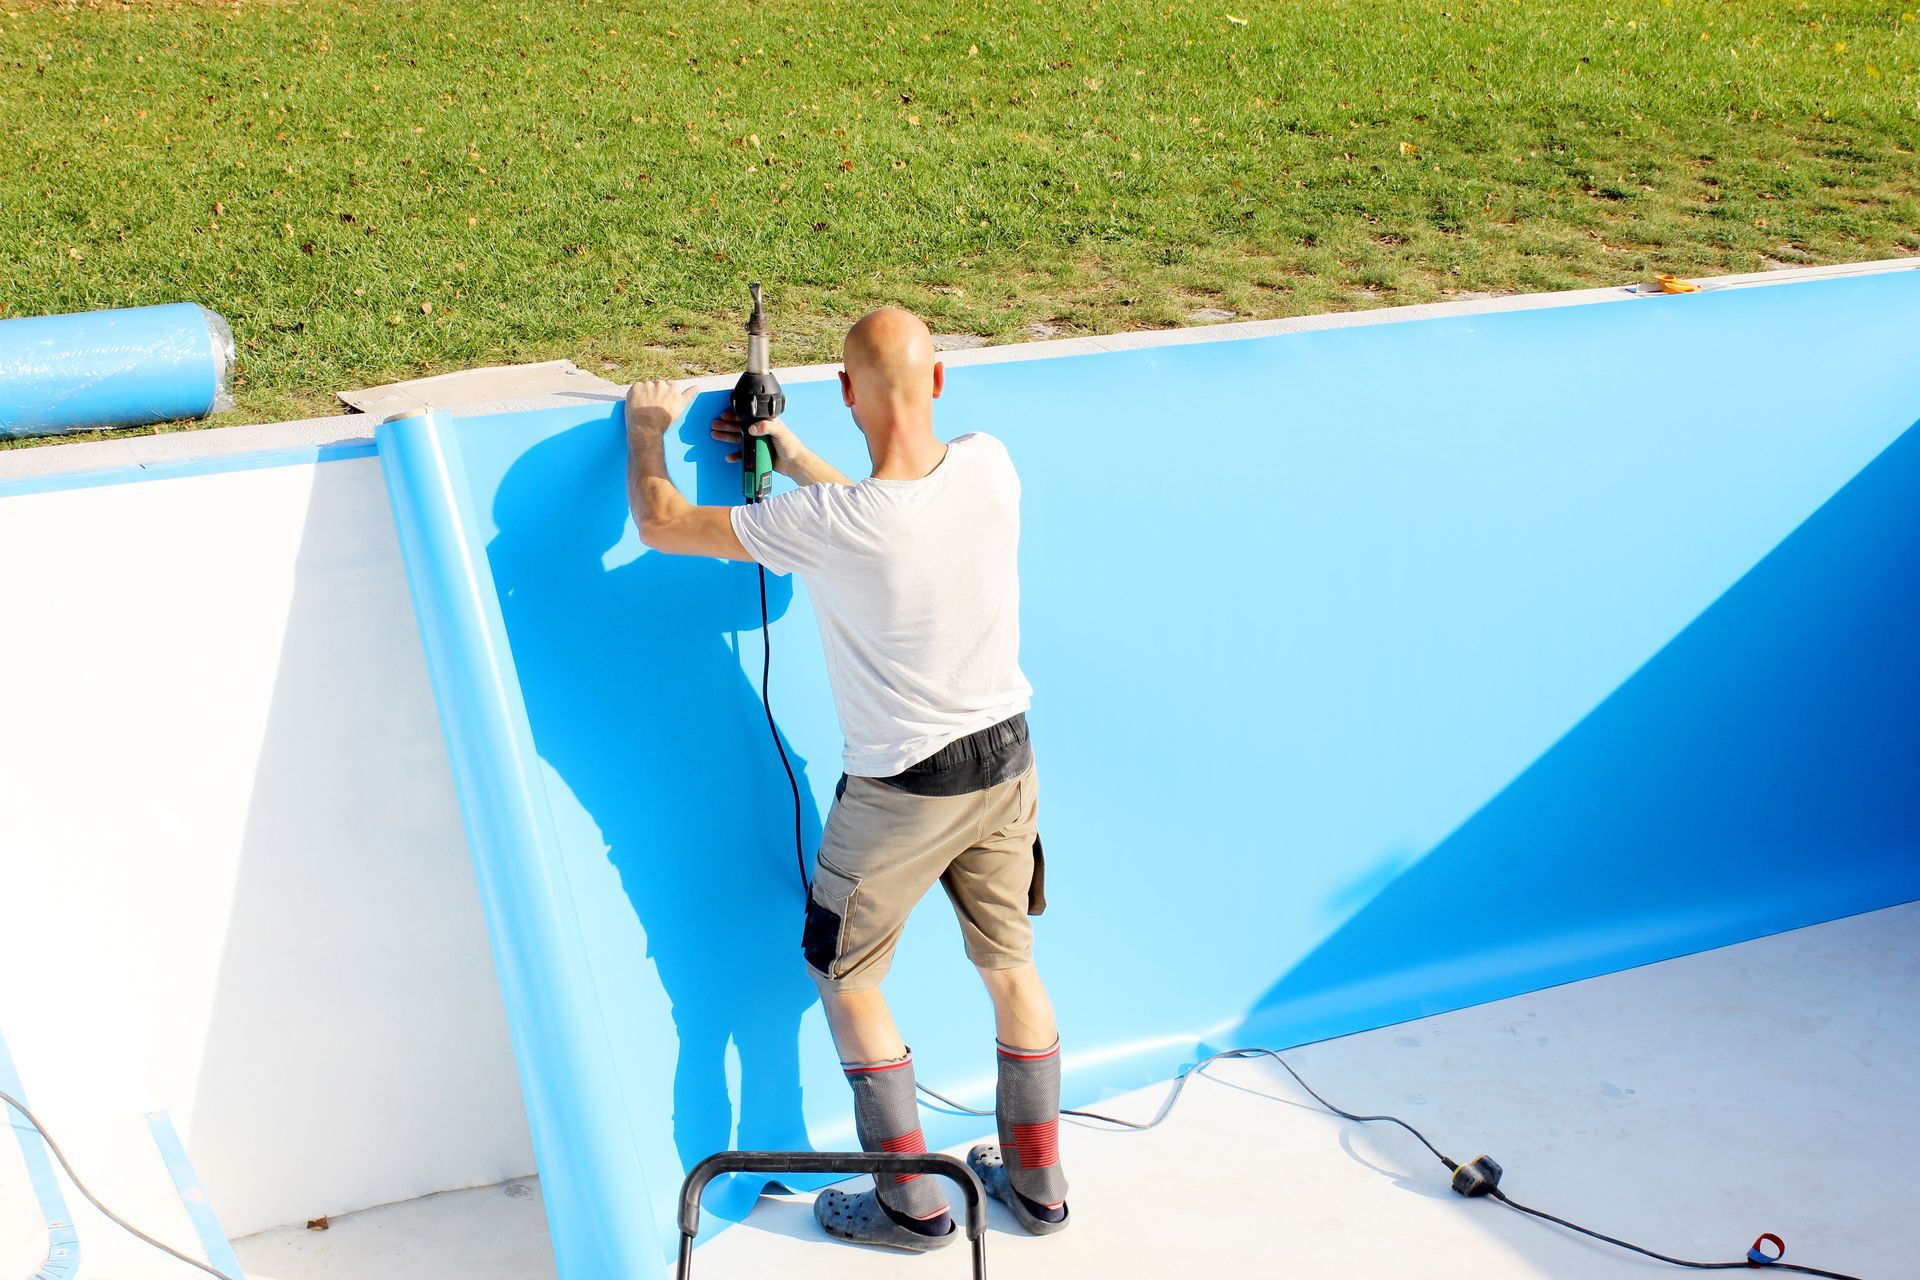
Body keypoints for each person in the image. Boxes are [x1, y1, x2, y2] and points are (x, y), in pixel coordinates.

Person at [623, 306, 1069, 1252]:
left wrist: (647, 430)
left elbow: (661, 523)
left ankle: (910, 1207)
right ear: (939, 381)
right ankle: (1038, 1187)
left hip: (902, 794)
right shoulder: (991, 466)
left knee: (847, 977)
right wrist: (784, 449)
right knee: (1011, 968)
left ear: (845, 392)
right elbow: (887, 520)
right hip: (1006, 767)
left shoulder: (831, 522)